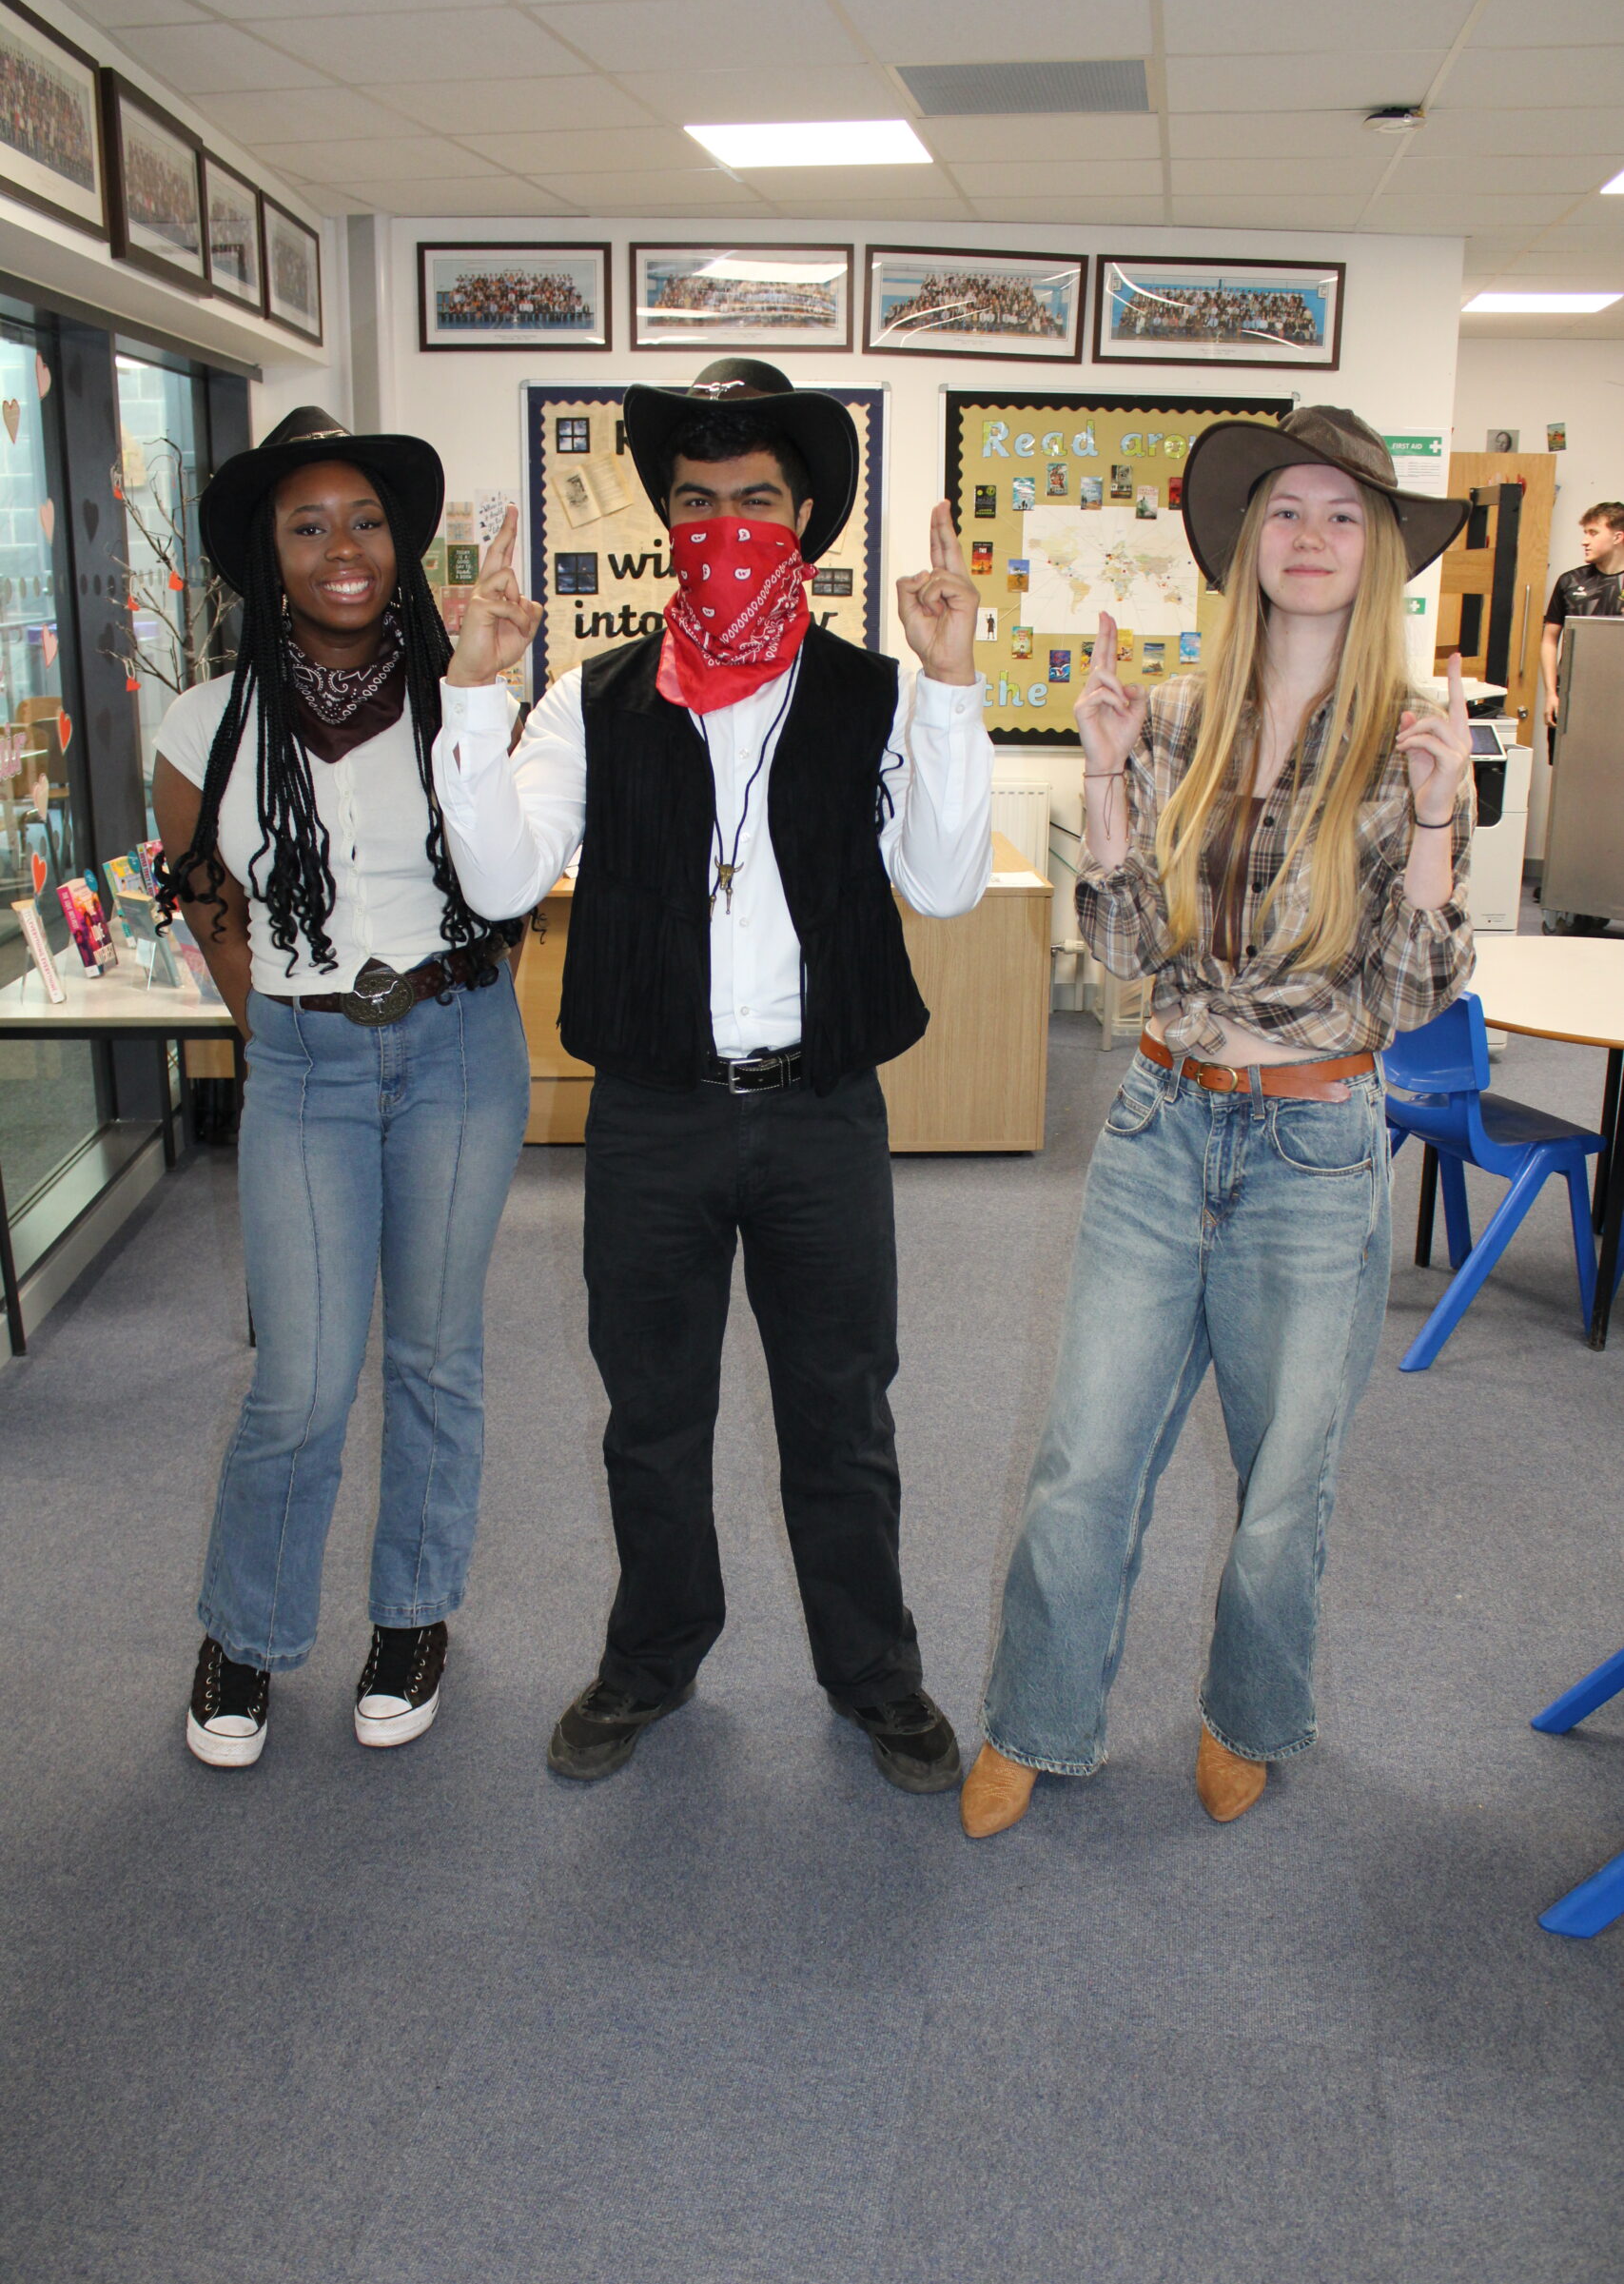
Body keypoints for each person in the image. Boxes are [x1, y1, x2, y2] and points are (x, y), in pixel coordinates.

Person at [432, 358, 993, 1794]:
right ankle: (652, 1656)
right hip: (653, 1117)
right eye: (696, 502)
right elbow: (496, 877)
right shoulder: (592, 701)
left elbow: (941, 885)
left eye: (754, 500)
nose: (724, 525)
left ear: (802, 519)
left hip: (819, 1114)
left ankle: (873, 1674)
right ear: (665, 521)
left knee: (841, 1417)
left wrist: (949, 687)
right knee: (652, 1417)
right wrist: (473, 690)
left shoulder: (873, 694)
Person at [960, 405, 1474, 1841]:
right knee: (1084, 1459)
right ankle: (1035, 1719)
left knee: (1284, 1480)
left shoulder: (1409, 741)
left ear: (1375, 552)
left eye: (1342, 515)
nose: (1310, 538)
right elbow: (1127, 953)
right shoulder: (1177, 715)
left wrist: (1438, 815)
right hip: (1158, 1126)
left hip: (1314, 1148)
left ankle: (1245, 1713)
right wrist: (1106, 773)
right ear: (1247, 543)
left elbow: (1404, 998)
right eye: (1285, 511)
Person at [153, 408, 531, 1768]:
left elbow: (505, 880)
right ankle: (245, 1635)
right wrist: (283, 1027)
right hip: (305, 1064)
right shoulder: (204, 724)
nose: (342, 548)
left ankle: (413, 1617)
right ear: (268, 555)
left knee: (434, 1354)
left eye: (364, 520)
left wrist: (444, 999)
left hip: (457, 1052)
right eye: (307, 526)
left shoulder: (468, 696)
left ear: (401, 541)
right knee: (303, 1381)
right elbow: (208, 901)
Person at [1541, 499, 1624, 735]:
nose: (1584, 541)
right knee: (1565, 756)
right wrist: (1551, 693)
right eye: (1585, 533)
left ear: (1618, 537)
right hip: (1571, 695)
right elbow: (1549, 640)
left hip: (1617, 696)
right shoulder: (1569, 581)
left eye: (1593, 533)